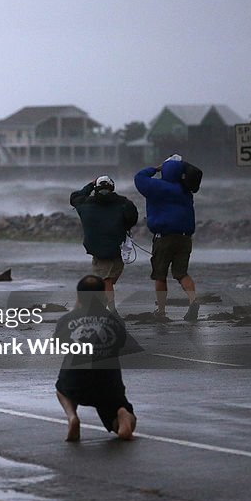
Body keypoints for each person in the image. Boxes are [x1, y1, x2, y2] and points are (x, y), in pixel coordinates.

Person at [54, 275, 137, 442]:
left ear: (78, 297)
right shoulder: (115, 320)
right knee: (118, 412)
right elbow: (122, 345)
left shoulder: (67, 319)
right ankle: (122, 415)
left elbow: (59, 345)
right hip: (109, 386)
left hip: (76, 384)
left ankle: (72, 417)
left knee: (60, 388)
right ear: (104, 296)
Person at [134, 154, 200, 322]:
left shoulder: (155, 186)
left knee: (160, 274)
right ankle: (193, 300)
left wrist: (154, 169)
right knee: (181, 273)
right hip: (184, 238)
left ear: (165, 170)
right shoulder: (185, 190)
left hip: (163, 238)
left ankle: (161, 311)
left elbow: (139, 177)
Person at [69, 175, 138, 314]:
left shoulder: (85, 203)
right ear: (112, 187)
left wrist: (90, 184)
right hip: (118, 248)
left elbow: (74, 197)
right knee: (108, 281)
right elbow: (132, 218)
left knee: (105, 281)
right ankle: (106, 308)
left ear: (96, 189)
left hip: (98, 250)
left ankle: (109, 310)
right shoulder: (124, 203)